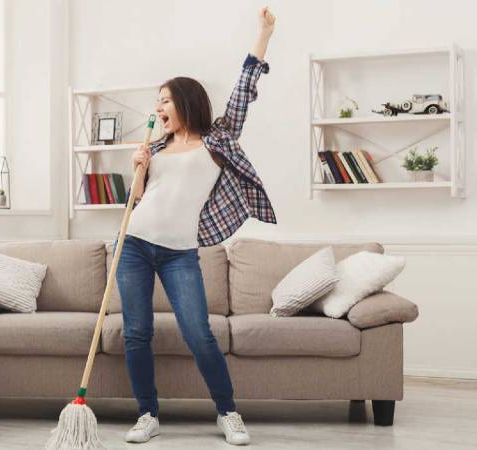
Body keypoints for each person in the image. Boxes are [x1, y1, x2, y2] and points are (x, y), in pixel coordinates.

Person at [110, 6, 277, 446]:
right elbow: (139, 201)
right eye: (157, 101)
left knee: (198, 333)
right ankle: (147, 414)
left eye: (164, 100)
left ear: (184, 102)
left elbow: (244, 89)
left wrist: (263, 35)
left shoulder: (218, 139)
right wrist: (139, 168)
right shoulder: (155, 146)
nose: (158, 107)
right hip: (133, 243)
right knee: (136, 332)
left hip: (179, 251)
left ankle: (228, 412)